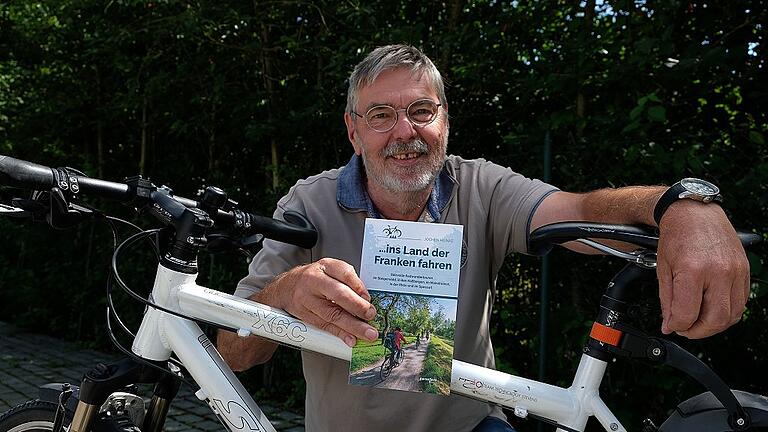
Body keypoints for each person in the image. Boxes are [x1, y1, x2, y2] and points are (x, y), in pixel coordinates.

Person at [218, 44, 749, 432]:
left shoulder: (482, 187)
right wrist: (283, 295)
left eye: (421, 111)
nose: (404, 130)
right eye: (381, 115)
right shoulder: (309, 202)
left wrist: (683, 204)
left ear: (444, 122)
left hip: (469, 424)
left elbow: (577, 211)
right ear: (353, 132)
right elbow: (234, 353)